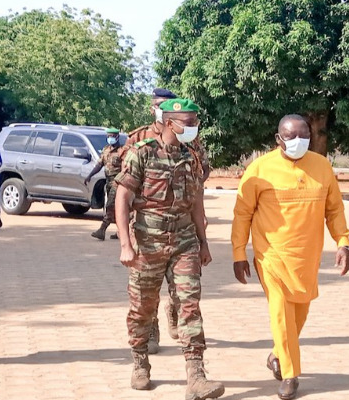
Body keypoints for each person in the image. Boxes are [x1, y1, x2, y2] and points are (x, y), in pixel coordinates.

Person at [231, 114, 349, 400]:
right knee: (281, 312)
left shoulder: (322, 167)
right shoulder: (260, 169)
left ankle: (278, 354)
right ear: (278, 139)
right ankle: (290, 374)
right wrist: (239, 253)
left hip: (307, 257)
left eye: (304, 136)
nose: (299, 142)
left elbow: (334, 209)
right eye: (291, 136)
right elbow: (242, 214)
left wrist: (343, 242)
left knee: (299, 313)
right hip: (271, 254)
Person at [115, 98, 224, 399]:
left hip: (184, 241)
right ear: (167, 123)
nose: (193, 128)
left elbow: (197, 201)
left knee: (189, 304)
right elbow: (122, 199)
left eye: (195, 122)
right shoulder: (142, 153)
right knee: (142, 308)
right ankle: (139, 362)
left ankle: (196, 376)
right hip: (148, 243)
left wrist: (203, 242)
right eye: (187, 123)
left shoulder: (192, 157)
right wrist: (126, 244)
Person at [85, 128, 122, 240]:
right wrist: (89, 175)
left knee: (110, 206)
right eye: (108, 136)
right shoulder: (106, 150)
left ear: (117, 137)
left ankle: (102, 230)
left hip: (118, 182)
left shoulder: (122, 151)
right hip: (109, 182)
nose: (110, 138)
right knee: (116, 208)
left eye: (112, 136)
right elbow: (99, 164)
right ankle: (120, 231)